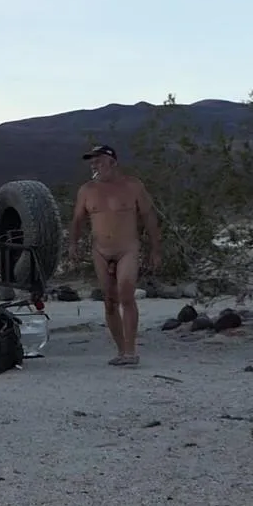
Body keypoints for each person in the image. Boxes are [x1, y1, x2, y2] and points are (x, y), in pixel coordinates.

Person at [67, 144, 160, 366]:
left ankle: (131, 351)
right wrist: (73, 244)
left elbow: (149, 216)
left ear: (112, 162)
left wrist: (156, 249)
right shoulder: (87, 190)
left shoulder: (133, 186)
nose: (94, 165)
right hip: (100, 250)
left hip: (127, 248)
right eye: (92, 162)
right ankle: (120, 351)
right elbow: (78, 220)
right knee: (109, 301)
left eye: (98, 161)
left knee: (126, 295)